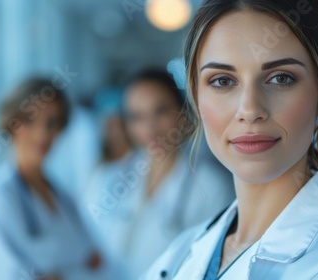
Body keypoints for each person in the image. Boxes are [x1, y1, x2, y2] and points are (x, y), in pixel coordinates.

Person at [142, 0, 318, 279]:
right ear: (196, 96)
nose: (250, 110)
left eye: (281, 78)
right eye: (223, 81)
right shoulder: (183, 250)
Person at [83, 69, 235, 279]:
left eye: (161, 111)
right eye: (137, 116)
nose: (150, 127)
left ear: (183, 113)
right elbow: (86, 247)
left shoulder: (212, 185)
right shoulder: (107, 178)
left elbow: (219, 263)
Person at [0, 78, 108, 280]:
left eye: (52, 123)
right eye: (30, 120)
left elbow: (96, 260)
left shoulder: (63, 198)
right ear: (12, 122)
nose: (42, 134)